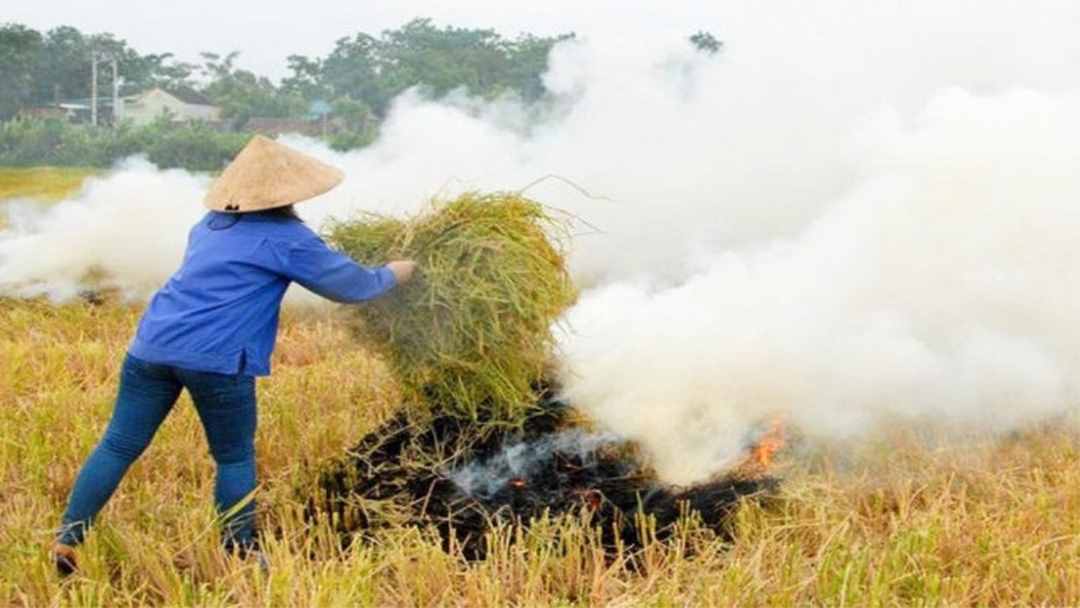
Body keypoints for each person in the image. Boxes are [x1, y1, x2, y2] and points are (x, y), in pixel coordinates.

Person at [50, 136, 416, 576]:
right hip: (217, 358)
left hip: (152, 345)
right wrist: (398, 271)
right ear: (292, 194)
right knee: (234, 457)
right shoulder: (289, 238)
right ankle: (240, 552)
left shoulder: (209, 224)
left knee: (119, 443)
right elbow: (355, 287)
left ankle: (68, 540)